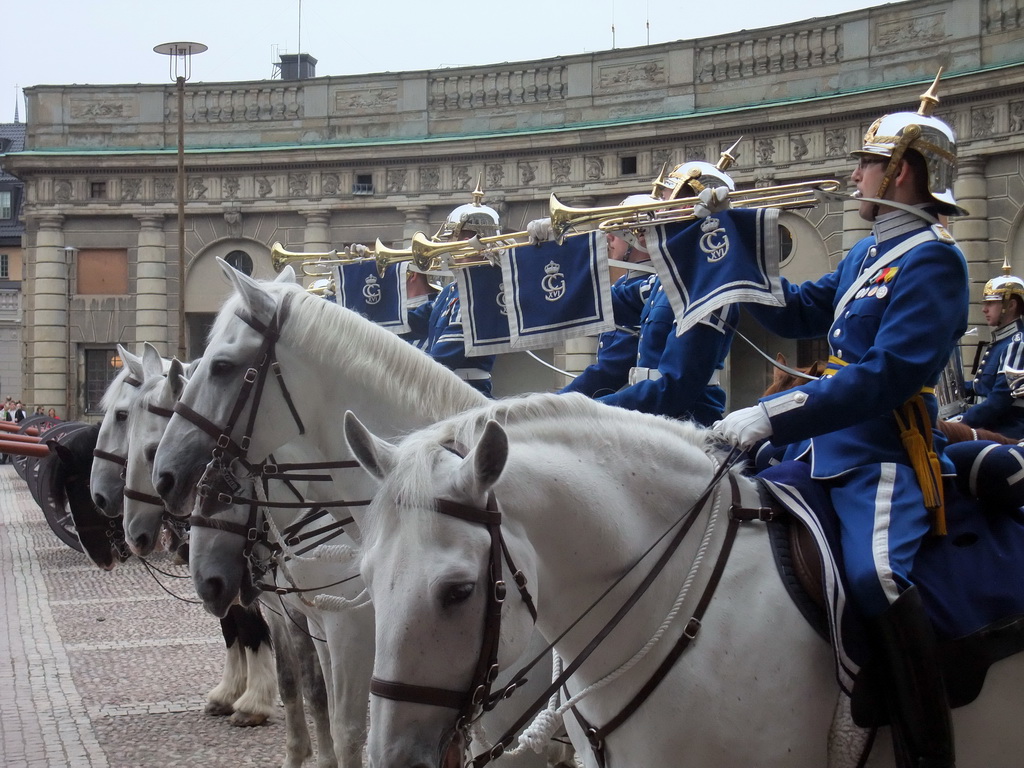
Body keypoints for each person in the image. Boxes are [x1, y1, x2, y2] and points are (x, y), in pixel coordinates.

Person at [714, 73, 964, 767]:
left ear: (903, 171)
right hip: (821, 445)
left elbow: (887, 376)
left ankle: (916, 736)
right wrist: (727, 244)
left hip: (879, 454)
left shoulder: (934, 260)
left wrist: (774, 414)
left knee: (874, 579)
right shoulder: (866, 253)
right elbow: (796, 311)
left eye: (866, 162)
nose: (854, 174)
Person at [595, 157, 740, 425]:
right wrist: (551, 256)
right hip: (652, 422)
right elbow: (595, 302)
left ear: (687, 208)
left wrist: (583, 411)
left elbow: (675, 387)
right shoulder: (668, 279)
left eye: (664, 203)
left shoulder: (706, 283)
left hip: (685, 427)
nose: (655, 214)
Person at [558, 194, 658, 398]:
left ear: (641, 237)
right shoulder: (624, 282)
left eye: (616, 232)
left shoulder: (650, 287)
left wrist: (554, 404)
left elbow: (611, 370)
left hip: (628, 404)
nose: (608, 238)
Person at [403, 187, 500, 396]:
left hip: (467, 396)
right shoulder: (451, 290)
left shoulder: (483, 290)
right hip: (445, 393)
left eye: (453, 237)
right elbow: (407, 323)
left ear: (473, 242)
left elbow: (443, 358)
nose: (447, 245)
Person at [955, 271, 1024, 439]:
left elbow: (999, 400)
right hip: (989, 427)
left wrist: (960, 422)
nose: (984, 309)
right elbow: (983, 386)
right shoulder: (1002, 341)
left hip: (1007, 432)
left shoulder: (1017, 343)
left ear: (1011, 305)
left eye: (991, 303)